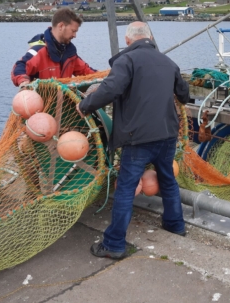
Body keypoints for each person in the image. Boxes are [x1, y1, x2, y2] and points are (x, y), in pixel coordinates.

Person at [77, 21, 190, 259]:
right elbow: (184, 95)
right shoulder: (168, 62)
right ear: (149, 37)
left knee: (126, 189)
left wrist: (85, 105)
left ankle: (114, 244)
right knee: (168, 180)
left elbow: (110, 89)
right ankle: (175, 225)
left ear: (128, 41)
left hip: (138, 138)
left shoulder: (126, 61)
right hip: (168, 134)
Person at [11, 8, 97, 88]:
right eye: (73, 31)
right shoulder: (39, 50)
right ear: (61, 26)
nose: (75, 35)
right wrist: (23, 81)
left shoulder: (70, 53)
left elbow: (86, 71)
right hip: (41, 102)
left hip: (61, 102)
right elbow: (19, 67)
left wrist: (106, 76)